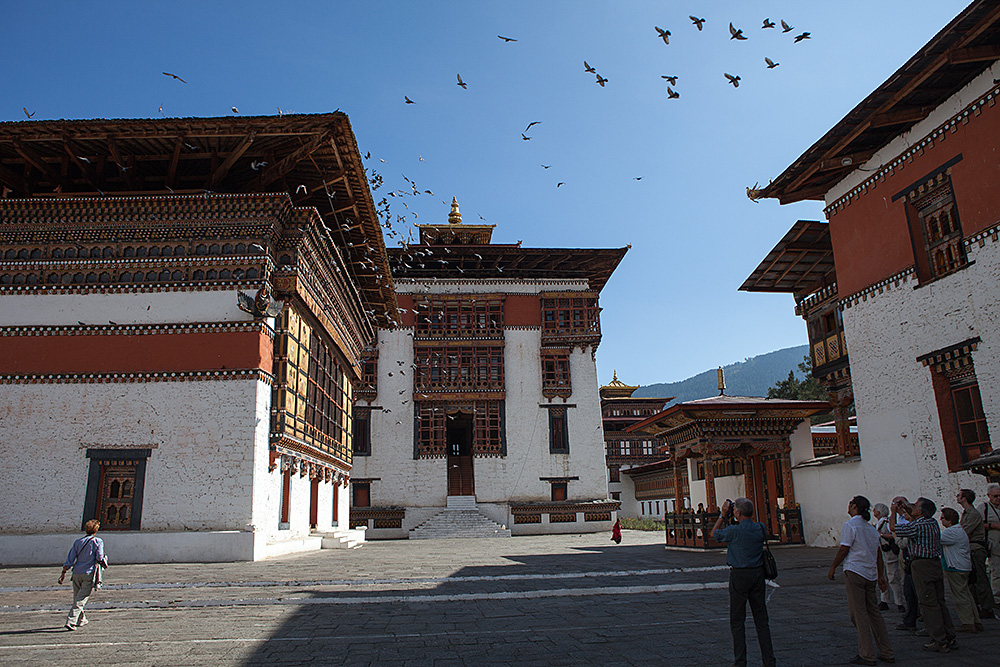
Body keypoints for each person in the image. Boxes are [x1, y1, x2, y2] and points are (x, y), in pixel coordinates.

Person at [828, 495, 894, 666]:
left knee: (858, 614)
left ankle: (867, 653)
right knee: (874, 613)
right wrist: (880, 575)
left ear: (855, 506)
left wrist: (833, 566)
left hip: (856, 571)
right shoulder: (871, 529)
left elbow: (844, 548)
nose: (848, 506)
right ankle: (886, 650)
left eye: (850, 504)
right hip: (870, 573)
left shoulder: (850, 525)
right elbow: (878, 554)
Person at [712, 497, 776, 667]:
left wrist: (722, 515)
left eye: (735, 511)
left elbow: (715, 534)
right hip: (757, 574)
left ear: (738, 513)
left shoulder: (733, 531)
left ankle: (740, 661)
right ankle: (769, 661)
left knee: (737, 621)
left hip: (739, 575)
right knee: (761, 620)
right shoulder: (760, 528)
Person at [890, 497, 957, 653]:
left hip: (922, 565)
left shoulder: (917, 526)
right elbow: (914, 516)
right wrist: (906, 507)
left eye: (914, 507)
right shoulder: (931, 522)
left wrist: (894, 512)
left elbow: (894, 528)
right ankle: (949, 635)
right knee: (940, 601)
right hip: (934, 563)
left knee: (928, 603)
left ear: (919, 511)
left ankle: (939, 639)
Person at [940, 507, 982, 632]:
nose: (941, 520)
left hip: (955, 567)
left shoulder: (951, 532)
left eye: (942, 518)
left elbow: (936, 540)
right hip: (962, 566)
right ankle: (975, 620)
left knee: (960, 596)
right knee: (966, 595)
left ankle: (968, 622)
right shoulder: (959, 530)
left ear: (948, 520)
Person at [58, 519, 106, 631]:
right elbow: (99, 557)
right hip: (88, 573)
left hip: (76, 573)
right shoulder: (98, 541)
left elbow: (70, 559)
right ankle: (71, 621)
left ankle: (81, 619)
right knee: (81, 599)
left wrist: (63, 573)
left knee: (77, 597)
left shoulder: (77, 542)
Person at [957, 488, 994, 618]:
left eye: (959, 496)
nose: (957, 497)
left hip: (976, 549)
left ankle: (987, 607)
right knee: (973, 580)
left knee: (980, 579)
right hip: (970, 549)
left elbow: (965, 531)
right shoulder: (967, 513)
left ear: (964, 498)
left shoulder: (973, 514)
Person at [891, 495, 920, 632]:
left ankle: (917, 615)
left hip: (913, 557)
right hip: (909, 557)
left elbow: (894, 530)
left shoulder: (915, 524)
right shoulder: (905, 519)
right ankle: (913, 615)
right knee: (908, 587)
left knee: (914, 589)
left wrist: (893, 513)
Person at [873, 503, 904, 612]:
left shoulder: (885, 523)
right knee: (885, 576)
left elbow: (895, 534)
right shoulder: (881, 523)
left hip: (888, 553)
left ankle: (898, 602)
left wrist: (881, 535)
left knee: (892, 577)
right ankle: (885, 600)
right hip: (884, 553)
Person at [980, 483, 1000, 606]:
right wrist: (993, 526)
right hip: (994, 544)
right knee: (996, 571)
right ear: (989, 496)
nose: (998, 498)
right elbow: (979, 525)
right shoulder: (984, 508)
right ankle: (997, 598)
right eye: (995, 496)